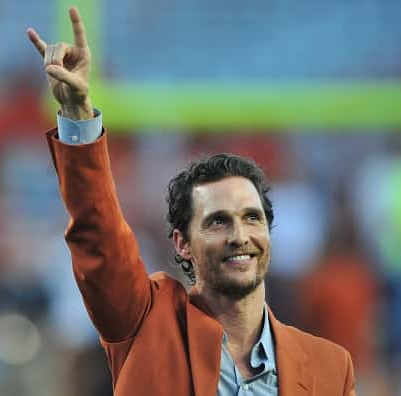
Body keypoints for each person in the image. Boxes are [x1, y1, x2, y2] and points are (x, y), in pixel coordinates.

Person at [27, 8, 356, 395]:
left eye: (251, 217)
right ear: (182, 242)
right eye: (218, 221)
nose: (239, 235)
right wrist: (78, 118)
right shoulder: (146, 325)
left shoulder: (330, 366)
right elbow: (98, 237)